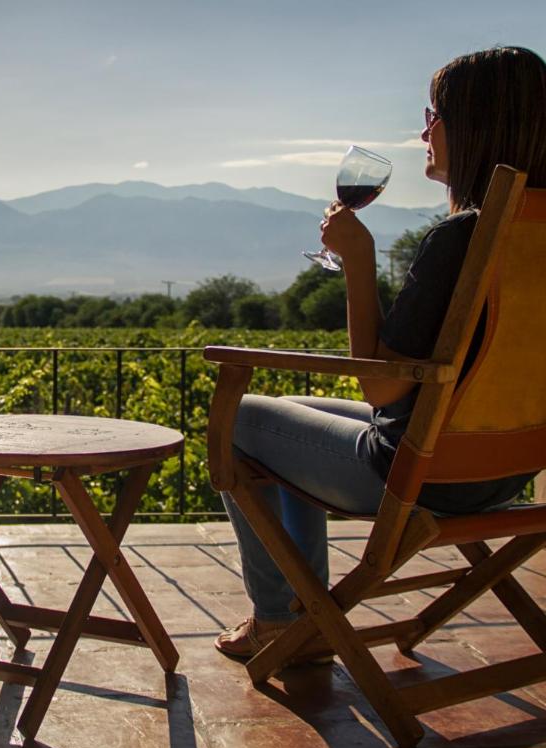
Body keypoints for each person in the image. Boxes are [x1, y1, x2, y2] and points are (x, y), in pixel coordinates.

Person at [216, 46, 546, 658]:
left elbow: (382, 387)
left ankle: (282, 621)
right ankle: (301, 608)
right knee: (287, 406)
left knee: (236, 419)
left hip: (420, 476)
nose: (424, 129)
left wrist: (357, 259)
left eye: (435, 114)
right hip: (507, 471)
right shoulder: (532, 237)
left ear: (473, 123)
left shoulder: (462, 238)